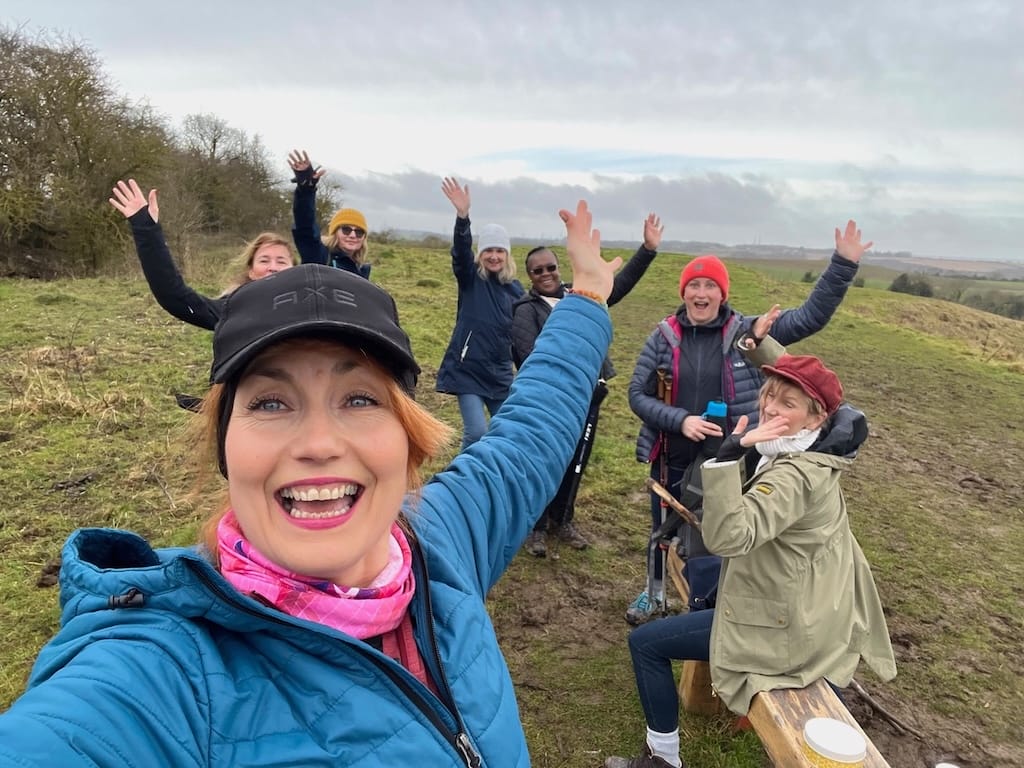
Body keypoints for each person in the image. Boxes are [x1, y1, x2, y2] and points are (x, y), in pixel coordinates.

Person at [0, 201, 622, 767]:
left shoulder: (442, 543)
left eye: (359, 397)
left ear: (408, 441)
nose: (319, 444)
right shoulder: (157, 675)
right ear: (224, 447)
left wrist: (588, 300)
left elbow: (531, 432)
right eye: (271, 403)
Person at [605, 341, 896, 768]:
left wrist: (727, 457)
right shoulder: (819, 444)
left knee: (646, 643)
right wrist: (759, 346)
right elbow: (803, 382)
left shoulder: (795, 476)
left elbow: (729, 538)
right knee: (694, 599)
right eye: (768, 394)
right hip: (814, 617)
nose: (771, 407)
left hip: (784, 634)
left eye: (787, 403)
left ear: (817, 416)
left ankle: (662, 760)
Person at [624, 220, 872, 625]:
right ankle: (653, 594)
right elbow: (637, 395)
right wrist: (681, 420)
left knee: (724, 529)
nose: (701, 293)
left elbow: (810, 317)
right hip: (673, 451)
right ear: (683, 292)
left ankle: (713, 601)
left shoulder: (748, 334)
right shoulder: (662, 337)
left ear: (723, 295)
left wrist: (842, 264)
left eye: (711, 287)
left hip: (737, 454)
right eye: (694, 285)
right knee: (663, 528)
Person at [512, 213, 664, 555]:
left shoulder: (581, 295)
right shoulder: (524, 311)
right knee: (546, 461)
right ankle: (535, 526)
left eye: (551, 267)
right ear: (530, 277)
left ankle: (562, 520)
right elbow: (528, 356)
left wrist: (648, 250)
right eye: (538, 270)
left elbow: (618, 284)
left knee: (577, 460)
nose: (547, 274)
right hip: (552, 402)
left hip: (590, 396)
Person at [109, 179, 297, 330]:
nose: (272, 267)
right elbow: (174, 295)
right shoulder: (234, 310)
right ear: (251, 271)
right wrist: (146, 229)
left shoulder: (315, 308)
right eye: (264, 260)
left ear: (296, 270)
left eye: (281, 261)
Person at [435, 176, 525, 450]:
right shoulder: (471, 277)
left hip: (499, 373)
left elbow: (522, 333)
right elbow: (460, 254)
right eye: (488, 250)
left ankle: (497, 479)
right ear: (481, 254)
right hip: (468, 369)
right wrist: (463, 217)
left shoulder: (516, 290)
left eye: (500, 251)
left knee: (506, 433)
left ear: (507, 255)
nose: (494, 256)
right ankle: (462, 483)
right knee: (476, 432)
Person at [287, 149, 371, 278]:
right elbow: (305, 226)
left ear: (364, 238)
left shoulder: (362, 269)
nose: (353, 235)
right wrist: (306, 189)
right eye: (346, 230)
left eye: (359, 232)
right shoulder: (319, 256)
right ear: (335, 232)